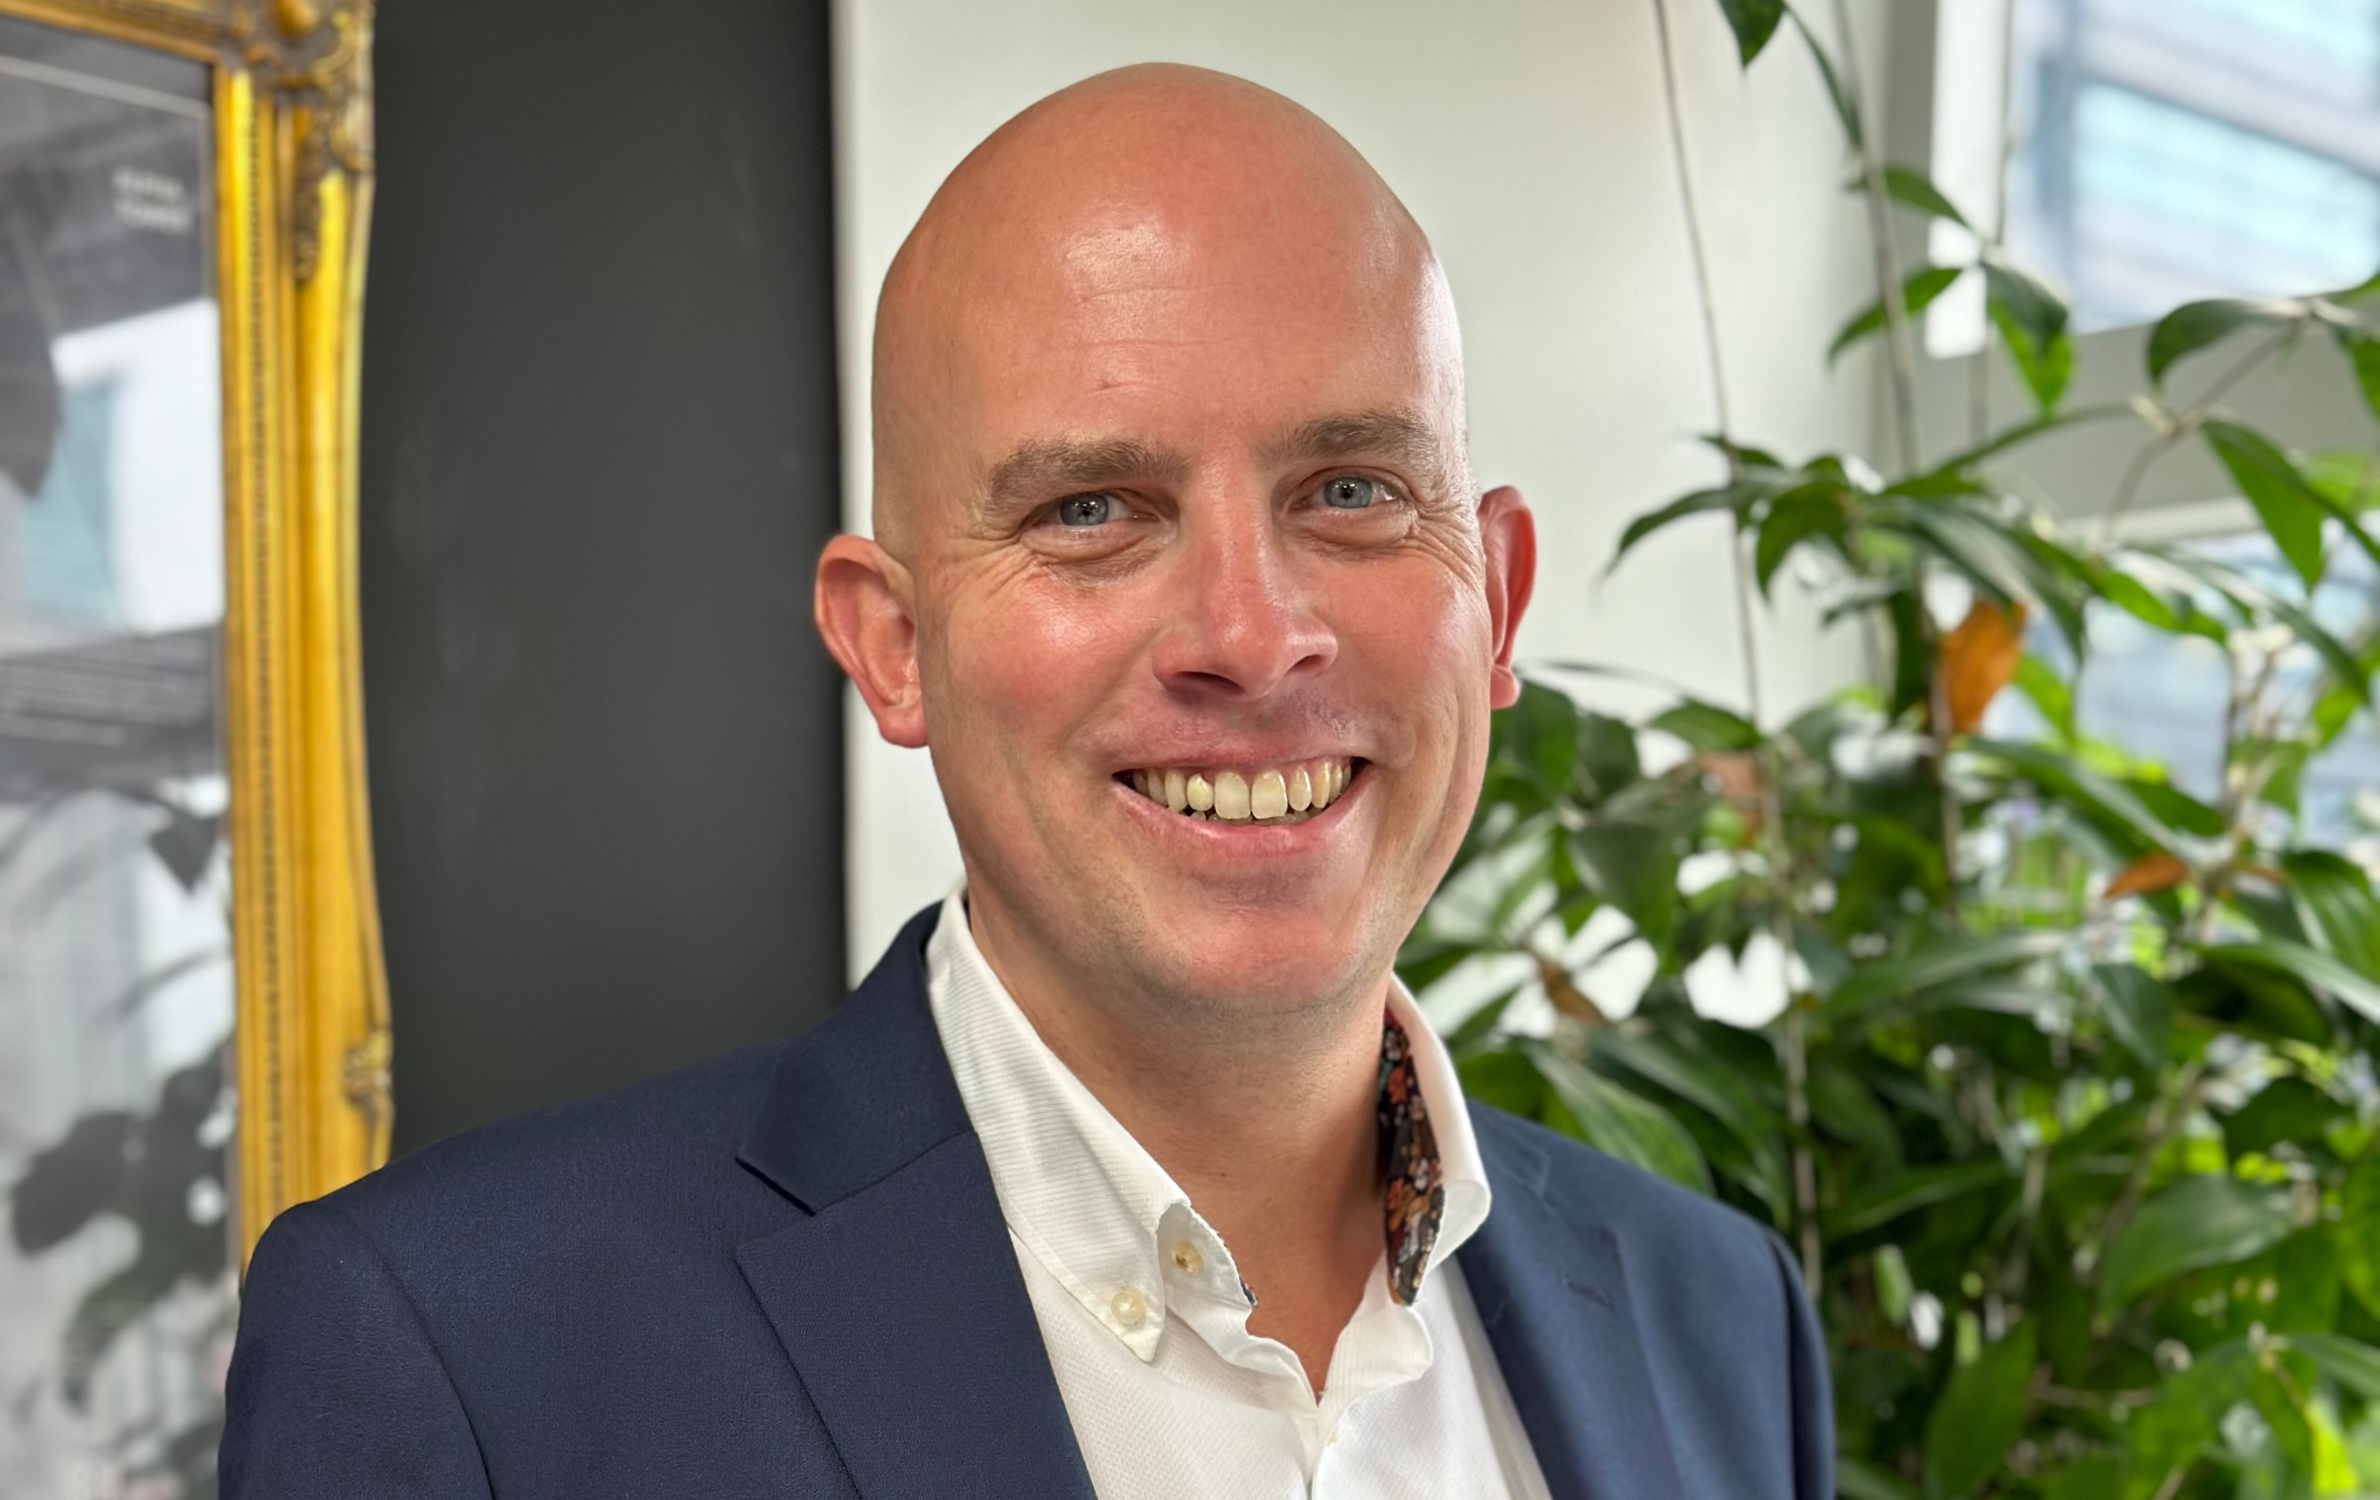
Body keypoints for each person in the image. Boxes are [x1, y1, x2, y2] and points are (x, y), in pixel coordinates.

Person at [221, 63, 1831, 1499]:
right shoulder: (466, 1351)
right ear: (893, 646)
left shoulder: (1720, 1323)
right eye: (1091, 513)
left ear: (1497, 599)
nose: (1252, 638)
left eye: (1348, 489)